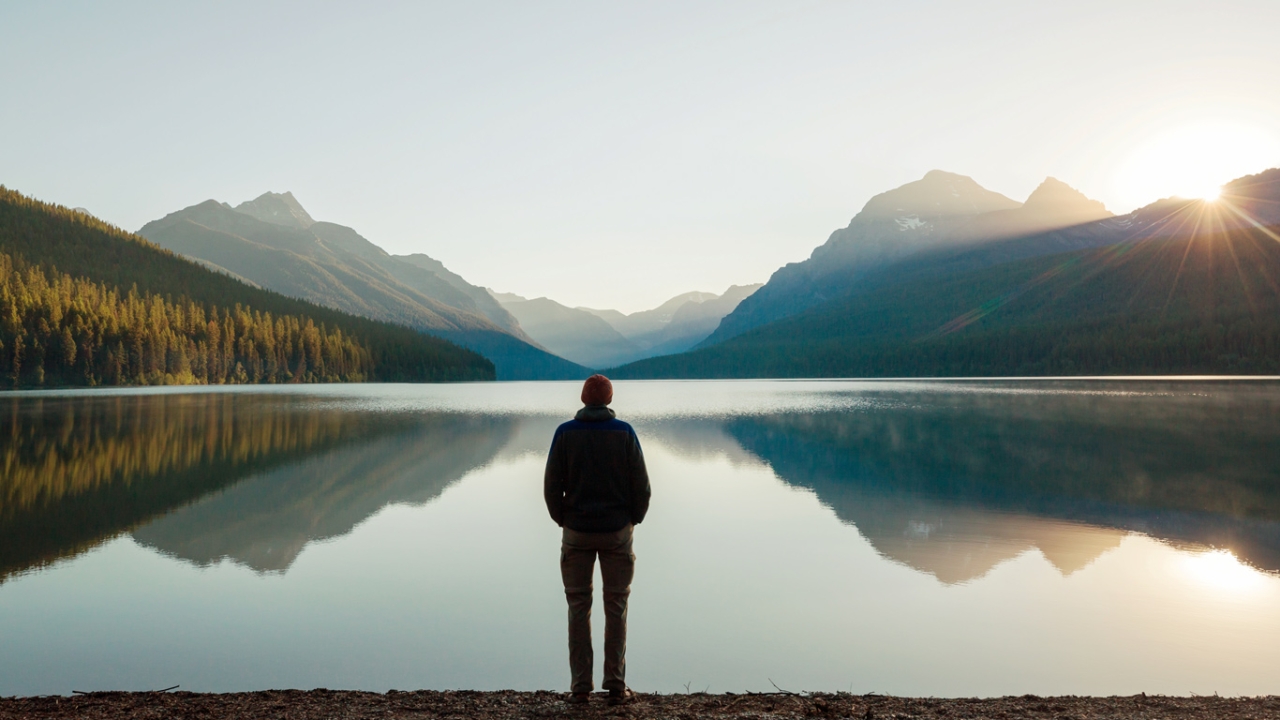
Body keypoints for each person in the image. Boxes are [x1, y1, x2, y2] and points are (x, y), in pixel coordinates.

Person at [544, 374, 651, 705]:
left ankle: (580, 688)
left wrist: (565, 520)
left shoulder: (564, 434)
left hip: (576, 533)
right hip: (617, 533)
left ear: (582, 399)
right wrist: (632, 520)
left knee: (578, 608)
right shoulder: (624, 433)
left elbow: (551, 488)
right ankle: (616, 685)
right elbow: (642, 487)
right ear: (609, 399)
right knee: (616, 606)